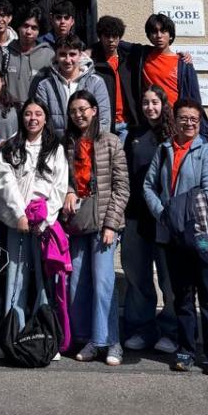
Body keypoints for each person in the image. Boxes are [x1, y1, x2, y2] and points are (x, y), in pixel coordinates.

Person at [144, 99, 208, 375]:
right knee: (182, 295)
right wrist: (163, 214)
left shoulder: (206, 151)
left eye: (193, 118)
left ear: (199, 121)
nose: (188, 123)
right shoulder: (164, 149)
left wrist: (179, 215)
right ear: (175, 120)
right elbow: (148, 186)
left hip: (201, 234)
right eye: (183, 118)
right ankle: (186, 349)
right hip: (172, 235)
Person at [62, 91, 129, 365]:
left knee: (103, 283)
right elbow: (62, 178)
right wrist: (68, 190)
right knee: (78, 283)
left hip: (104, 223)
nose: (78, 114)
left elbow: (122, 187)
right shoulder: (68, 143)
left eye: (83, 109)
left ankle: (112, 342)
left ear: (94, 110)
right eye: (73, 110)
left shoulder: (110, 141)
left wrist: (111, 224)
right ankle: (90, 338)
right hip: (78, 221)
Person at [0, 98, 69, 332]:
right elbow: (5, 182)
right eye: (28, 114)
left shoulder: (55, 148)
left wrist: (45, 221)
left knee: (44, 279)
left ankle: (43, 332)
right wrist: (20, 214)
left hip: (43, 224)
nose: (33, 118)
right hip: (17, 222)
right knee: (16, 276)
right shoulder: (11, 146)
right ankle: (13, 332)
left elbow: (59, 186)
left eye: (38, 114)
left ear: (46, 118)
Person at [121, 84, 178, 353]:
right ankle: (141, 328)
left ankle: (170, 330)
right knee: (136, 274)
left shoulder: (173, 134)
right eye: (145, 103)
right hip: (135, 215)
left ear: (164, 104)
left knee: (169, 277)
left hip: (164, 217)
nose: (150, 107)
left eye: (155, 102)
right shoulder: (134, 134)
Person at [118, 14, 208, 137]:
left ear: (170, 35)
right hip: (150, 122)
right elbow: (116, 42)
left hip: (175, 124)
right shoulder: (143, 55)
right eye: (154, 32)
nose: (159, 36)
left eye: (163, 31)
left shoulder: (183, 64)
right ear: (149, 36)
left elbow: (195, 99)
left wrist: (203, 134)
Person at [30, 36, 111, 136]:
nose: (68, 60)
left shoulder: (96, 82)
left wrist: (91, 142)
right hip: (56, 143)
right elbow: (41, 120)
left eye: (72, 54)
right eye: (62, 54)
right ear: (56, 56)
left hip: (89, 143)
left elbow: (104, 120)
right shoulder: (45, 86)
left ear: (80, 55)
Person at [0, 8, 54, 104]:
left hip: (37, 111)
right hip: (9, 111)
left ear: (39, 31)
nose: (28, 31)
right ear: (18, 27)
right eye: (25, 26)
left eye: (34, 28)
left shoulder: (49, 56)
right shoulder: (4, 53)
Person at [90, 16, 126, 133]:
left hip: (125, 123)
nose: (111, 40)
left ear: (119, 37)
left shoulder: (127, 59)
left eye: (114, 36)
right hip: (103, 123)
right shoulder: (93, 63)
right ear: (100, 37)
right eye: (107, 36)